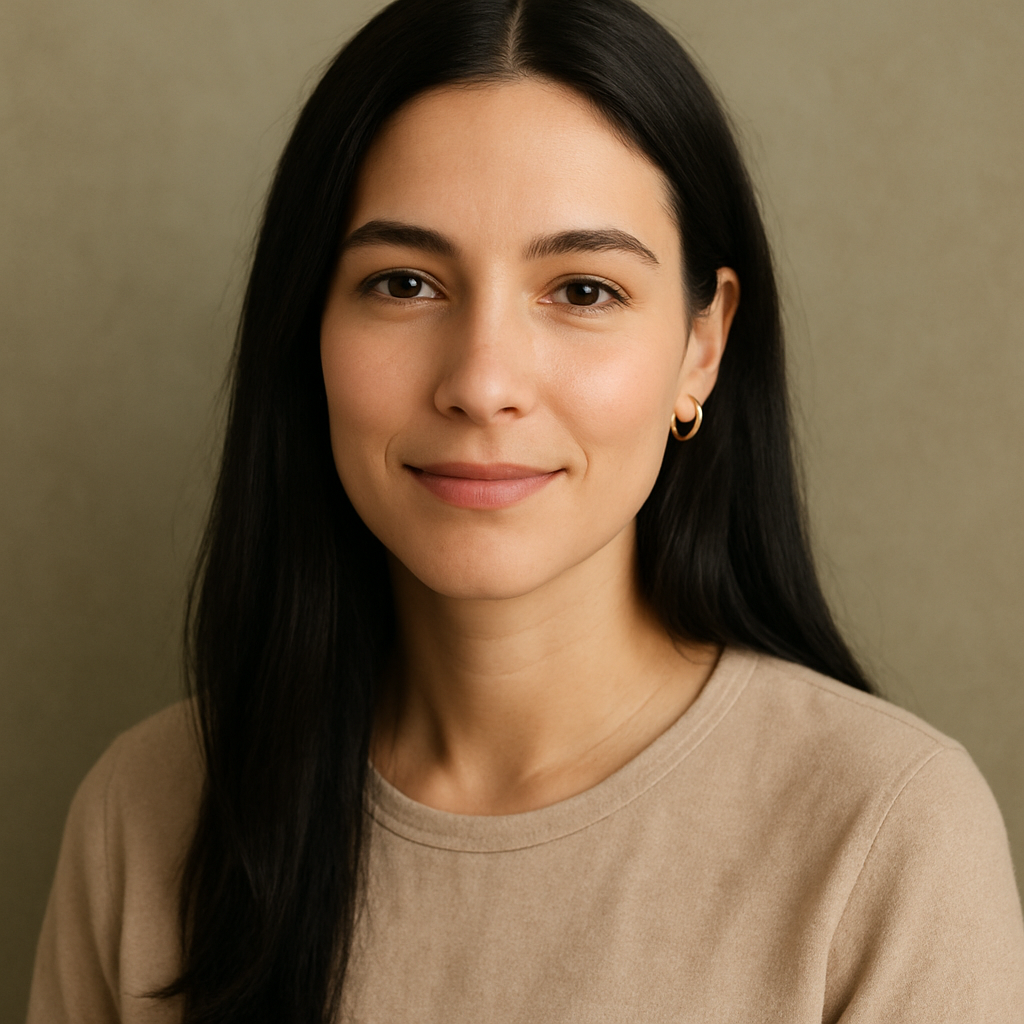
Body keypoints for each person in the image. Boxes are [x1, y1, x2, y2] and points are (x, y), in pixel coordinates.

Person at [26, 0, 1024, 1021]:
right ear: (306, 326)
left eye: (583, 290)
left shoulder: (884, 833)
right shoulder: (147, 811)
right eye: (404, 282)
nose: (483, 380)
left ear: (701, 345)